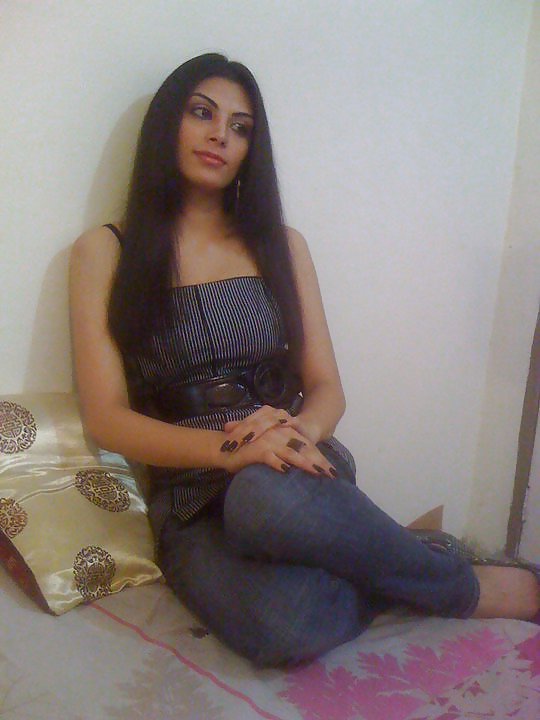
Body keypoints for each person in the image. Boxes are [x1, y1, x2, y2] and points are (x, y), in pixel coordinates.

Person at [70, 53, 539, 667]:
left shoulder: (282, 246)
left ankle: (466, 589)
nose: (220, 135)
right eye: (202, 113)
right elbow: (106, 417)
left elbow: (326, 388)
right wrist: (230, 450)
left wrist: (293, 436)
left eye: (241, 127)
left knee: (264, 496)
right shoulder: (106, 251)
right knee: (286, 627)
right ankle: (418, 558)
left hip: (289, 477)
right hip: (189, 500)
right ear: (167, 122)